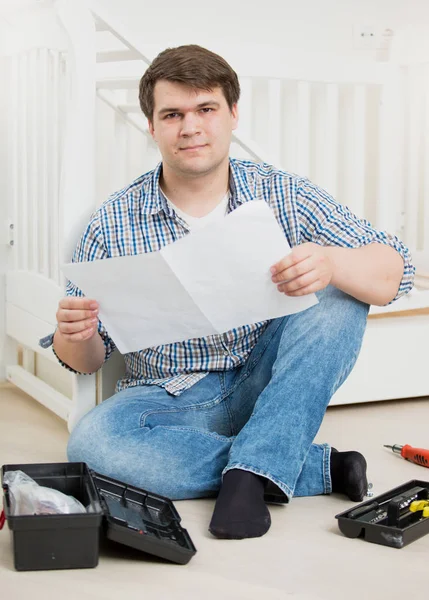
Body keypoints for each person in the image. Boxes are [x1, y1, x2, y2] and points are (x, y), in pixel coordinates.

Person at [42, 45, 414, 540]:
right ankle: (307, 466)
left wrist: (330, 262)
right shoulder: (111, 222)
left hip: (268, 381)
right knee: (91, 446)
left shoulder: (285, 194)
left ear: (233, 114)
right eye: (172, 114)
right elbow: (86, 360)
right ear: (152, 127)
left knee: (340, 292)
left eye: (206, 110)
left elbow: (395, 270)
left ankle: (248, 474)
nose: (190, 127)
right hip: (170, 398)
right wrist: (75, 333)